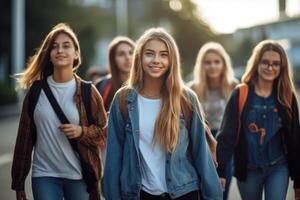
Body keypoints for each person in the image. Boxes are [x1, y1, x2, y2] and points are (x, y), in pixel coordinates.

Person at [103, 27, 222, 200]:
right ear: (140, 57)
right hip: (139, 193)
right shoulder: (123, 100)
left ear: (172, 59)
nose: (156, 60)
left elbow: (201, 153)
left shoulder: (186, 98)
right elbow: (114, 156)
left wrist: (213, 195)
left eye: (164, 54)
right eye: (150, 53)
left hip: (184, 191)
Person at [11, 23, 107, 200]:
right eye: (54, 46)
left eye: (66, 45)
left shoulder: (88, 92)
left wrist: (81, 131)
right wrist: (18, 183)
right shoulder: (35, 92)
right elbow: (24, 139)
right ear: (49, 54)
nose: (60, 50)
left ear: (76, 54)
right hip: (44, 175)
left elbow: (103, 133)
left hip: (79, 176)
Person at [216, 40, 300, 200]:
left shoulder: (287, 96)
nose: (270, 68)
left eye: (276, 64)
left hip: (278, 167)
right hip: (248, 170)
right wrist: (220, 171)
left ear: (281, 67)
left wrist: (298, 181)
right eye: (265, 62)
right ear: (257, 63)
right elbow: (227, 135)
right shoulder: (241, 94)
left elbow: (295, 139)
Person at [188, 42, 238, 200]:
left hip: (225, 145)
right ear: (201, 65)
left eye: (217, 61)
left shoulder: (234, 87)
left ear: (224, 63)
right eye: (208, 62)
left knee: (221, 191)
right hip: (201, 143)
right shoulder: (192, 89)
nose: (212, 66)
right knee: (202, 192)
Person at [95, 36, 135, 112]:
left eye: (131, 53)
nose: (128, 58)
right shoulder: (101, 86)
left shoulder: (145, 85)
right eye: (121, 54)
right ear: (113, 60)